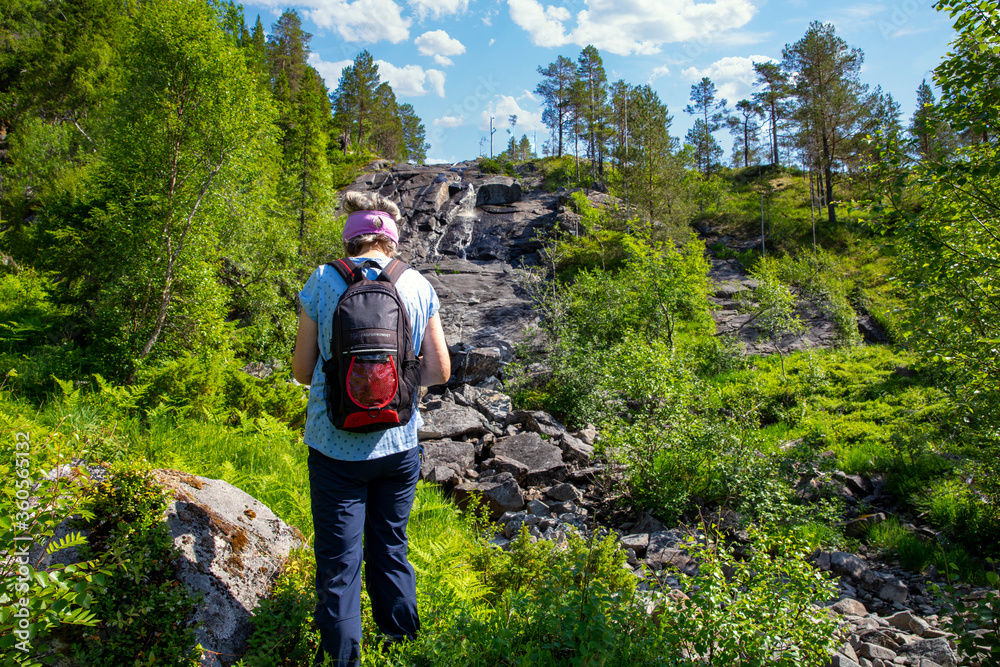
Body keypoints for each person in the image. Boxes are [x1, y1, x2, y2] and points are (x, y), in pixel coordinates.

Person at [291, 191, 450, 666]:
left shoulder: (323, 280)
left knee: (339, 566)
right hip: (397, 445)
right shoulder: (416, 284)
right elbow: (440, 370)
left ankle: (343, 660)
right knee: (391, 548)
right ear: (392, 239)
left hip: (334, 449)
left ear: (350, 238)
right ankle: (401, 649)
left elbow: (301, 371)